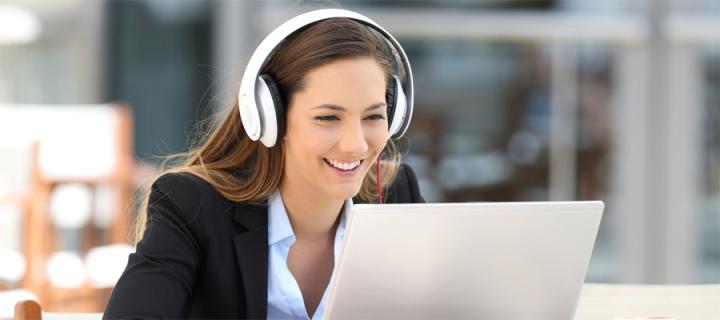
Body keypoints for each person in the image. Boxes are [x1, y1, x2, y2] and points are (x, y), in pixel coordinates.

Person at [103, 9, 424, 320]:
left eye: (373, 116)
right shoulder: (193, 207)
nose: (355, 144)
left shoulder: (396, 196)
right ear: (271, 117)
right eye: (328, 118)